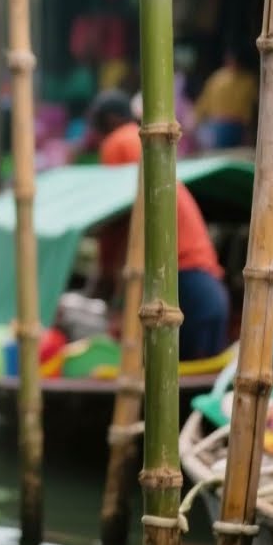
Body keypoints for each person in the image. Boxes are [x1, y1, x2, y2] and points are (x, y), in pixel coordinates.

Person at [88, 90, 230, 360]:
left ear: (110, 120)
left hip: (180, 281)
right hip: (207, 283)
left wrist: (105, 276)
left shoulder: (117, 143)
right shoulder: (144, 142)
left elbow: (116, 220)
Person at [193, 46, 258, 149]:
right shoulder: (248, 80)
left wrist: (196, 120)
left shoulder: (217, 78)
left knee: (221, 157)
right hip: (235, 125)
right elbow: (256, 101)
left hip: (222, 125)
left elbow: (204, 103)